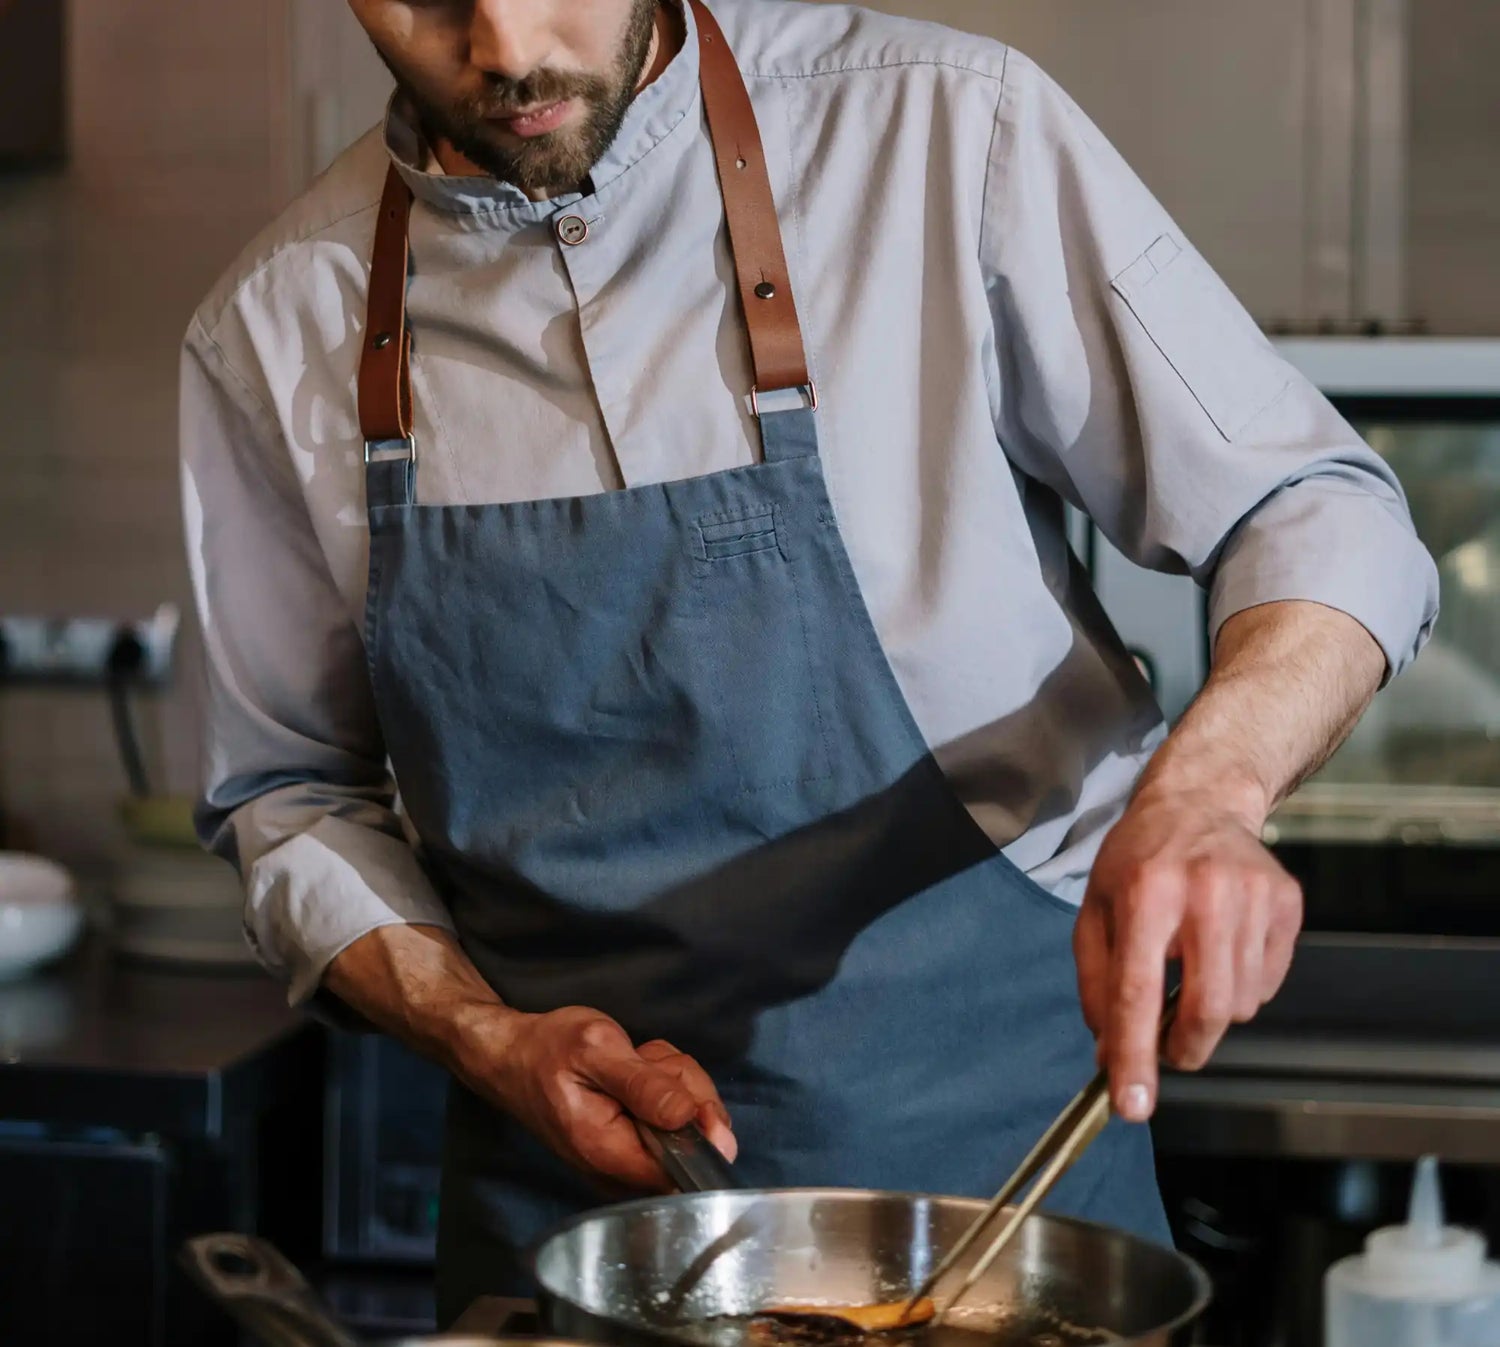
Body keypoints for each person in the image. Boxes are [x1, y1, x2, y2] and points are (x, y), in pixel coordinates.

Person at [180, 0, 1438, 1321]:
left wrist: (1210, 789)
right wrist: (480, 1037)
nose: (502, 47)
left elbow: (1318, 508)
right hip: (583, 1256)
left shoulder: (943, 134)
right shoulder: (276, 326)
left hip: (1003, 1207)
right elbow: (287, 796)